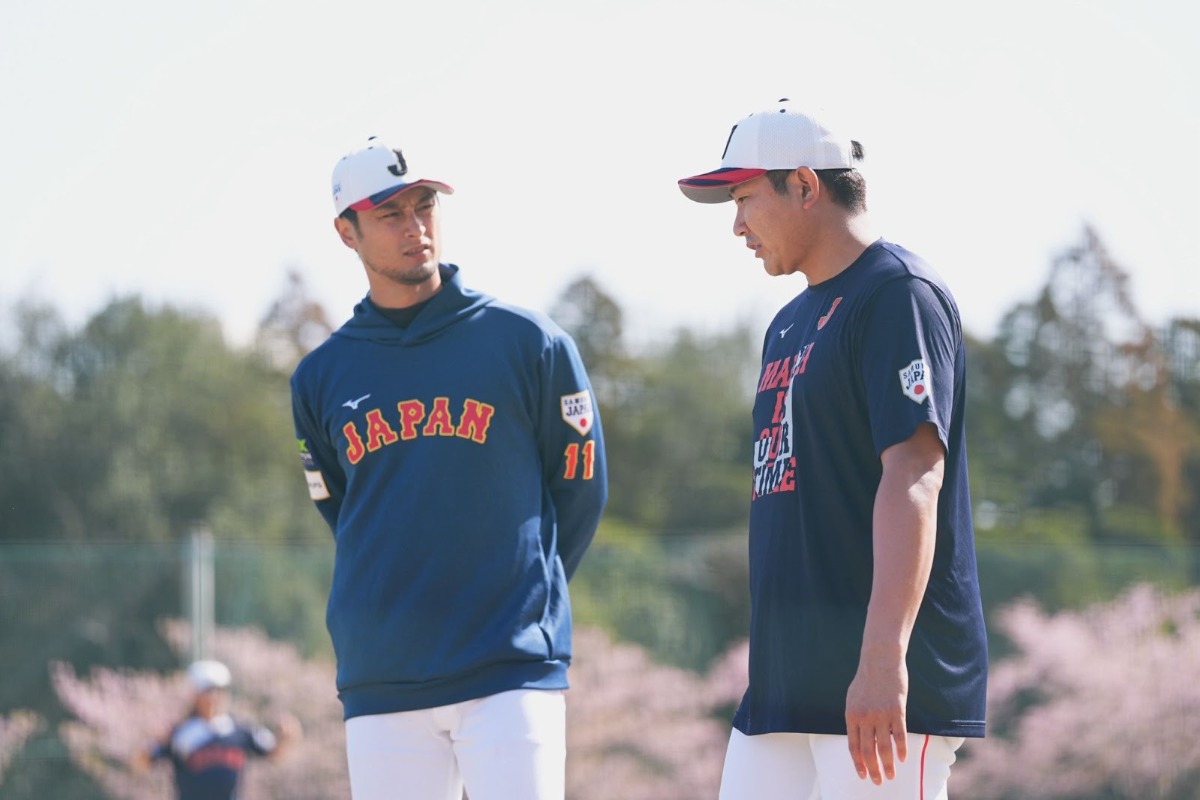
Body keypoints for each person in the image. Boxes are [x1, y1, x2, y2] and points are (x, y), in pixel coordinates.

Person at [677, 99, 988, 798]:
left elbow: (914, 473)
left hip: (878, 686)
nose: (736, 224)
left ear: (806, 185)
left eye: (745, 197)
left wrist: (882, 658)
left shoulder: (896, 294)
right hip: (786, 684)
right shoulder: (789, 321)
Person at [290, 136, 608, 800]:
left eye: (425, 205)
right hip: (383, 676)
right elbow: (342, 509)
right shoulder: (320, 376)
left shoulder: (530, 343)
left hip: (510, 665)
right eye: (390, 214)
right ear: (346, 232)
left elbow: (579, 489)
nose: (416, 228)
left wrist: (524, 596)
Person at [132, 659, 300, 800]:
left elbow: (274, 754)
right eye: (209, 691)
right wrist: (153, 743)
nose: (215, 697)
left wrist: (286, 739)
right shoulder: (180, 733)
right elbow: (140, 764)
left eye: (220, 690)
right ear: (196, 694)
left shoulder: (240, 729)